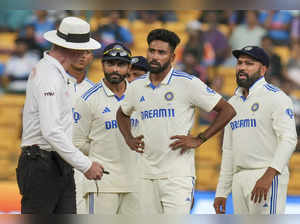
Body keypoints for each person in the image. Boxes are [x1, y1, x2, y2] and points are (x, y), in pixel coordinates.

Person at [116, 28, 236, 214]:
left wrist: (200, 138)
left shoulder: (187, 83)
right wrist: (129, 138)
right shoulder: (137, 86)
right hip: (145, 176)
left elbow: (227, 110)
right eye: (152, 51)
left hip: (177, 176)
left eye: (161, 52)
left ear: (172, 57)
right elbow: (121, 113)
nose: (155, 56)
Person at [17, 16, 104, 214]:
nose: (85, 54)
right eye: (83, 49)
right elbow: (51, 131)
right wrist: (85, 165)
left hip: (52, 162)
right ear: (75, 49)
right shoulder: (49, 76)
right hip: (43, 163)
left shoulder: (52, 72)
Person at [214, 46, 297, 214]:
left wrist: (268, 176)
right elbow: (228, 150)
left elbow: (289, 139)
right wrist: (222, 191)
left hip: (266, 175)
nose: (242, 67)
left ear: (263, 69)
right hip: (239, 178)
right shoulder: (233, 103)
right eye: (240, 63)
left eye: (249, 63)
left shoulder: (276, 97)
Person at [72, 42, 140, 215]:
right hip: (102, 182)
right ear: (102, 64)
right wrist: (100, 150)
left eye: (121, 64)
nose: (115, 69)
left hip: (137, 182)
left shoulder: (141, 96)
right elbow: (76, 142)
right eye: (110, 64)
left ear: (129, 67)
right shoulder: (88, 99)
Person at [66, 49, 95, 214]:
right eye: (78, 52)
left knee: (81, 211)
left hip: (82, 163)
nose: (83, 56)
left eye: (87, 52)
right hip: (52, 159)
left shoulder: (95, 91)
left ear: (92, 57)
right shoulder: (54, 84)